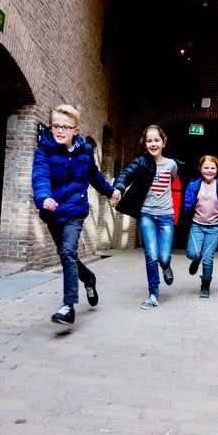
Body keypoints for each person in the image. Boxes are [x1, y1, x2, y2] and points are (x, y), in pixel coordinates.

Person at [31, 104, 120, 326]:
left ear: (75, 130)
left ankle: (67, 306)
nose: (59, 131)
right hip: (52, 212)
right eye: (55, 126)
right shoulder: (44, 151)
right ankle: (89, 278)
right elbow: (40, 178)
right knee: (65, 254)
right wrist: (44, 199)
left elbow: (95, 177)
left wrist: (110, 192)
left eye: (65, 127)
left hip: (75, 212)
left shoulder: (85, 153)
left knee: (68, 250)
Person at [113, 125, 181, 310]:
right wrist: (119, 187)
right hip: (147, 215)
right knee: (151, 255)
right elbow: (125, 174)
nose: (153, 144)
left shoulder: (171, 165)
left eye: (156, 140)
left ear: (163, 142)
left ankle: (166, 266)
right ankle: (153, 294)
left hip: (166, 216)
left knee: (163, 257)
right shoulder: (141, 163)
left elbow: (172, 180)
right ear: (144, 143)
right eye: (149, 140)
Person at [183, 155, 218, 298]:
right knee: (193, 253)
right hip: (197, 225)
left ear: (217, 169)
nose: (209, 170)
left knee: (208, 258)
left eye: (212, 168)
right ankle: (196, 259)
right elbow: (186, 205)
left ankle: (205, 284)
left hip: (214, 228)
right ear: (200, 169)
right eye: (206, 167)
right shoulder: (193, 185)